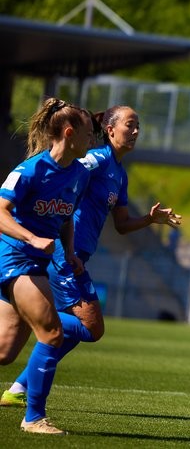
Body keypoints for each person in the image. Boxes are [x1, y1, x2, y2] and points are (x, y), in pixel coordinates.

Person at [1, 105, 182, 416]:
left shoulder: (119, 175)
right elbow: (65, 173)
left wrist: (150, 220)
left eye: (138, 125)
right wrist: (48, 239)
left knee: (36, 341)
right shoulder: (95, 160)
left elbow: (121, 225)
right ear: (109, 130)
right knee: (89, 328)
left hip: (75, 254)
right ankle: (28, 383)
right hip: (59, 254)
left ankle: (20, 386)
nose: (136, 131)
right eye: (129, 125)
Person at [0, 98, 94, 434]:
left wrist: (69, 252)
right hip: (15, 258)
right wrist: (31, 238)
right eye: (88, 133)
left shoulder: (80, 174)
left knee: (5, 352)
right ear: (69, 133)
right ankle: (34, 418)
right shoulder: (31, 170)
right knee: (52, 333)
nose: (92, 140)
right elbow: (0, 212)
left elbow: (65, 218)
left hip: (36, 263)